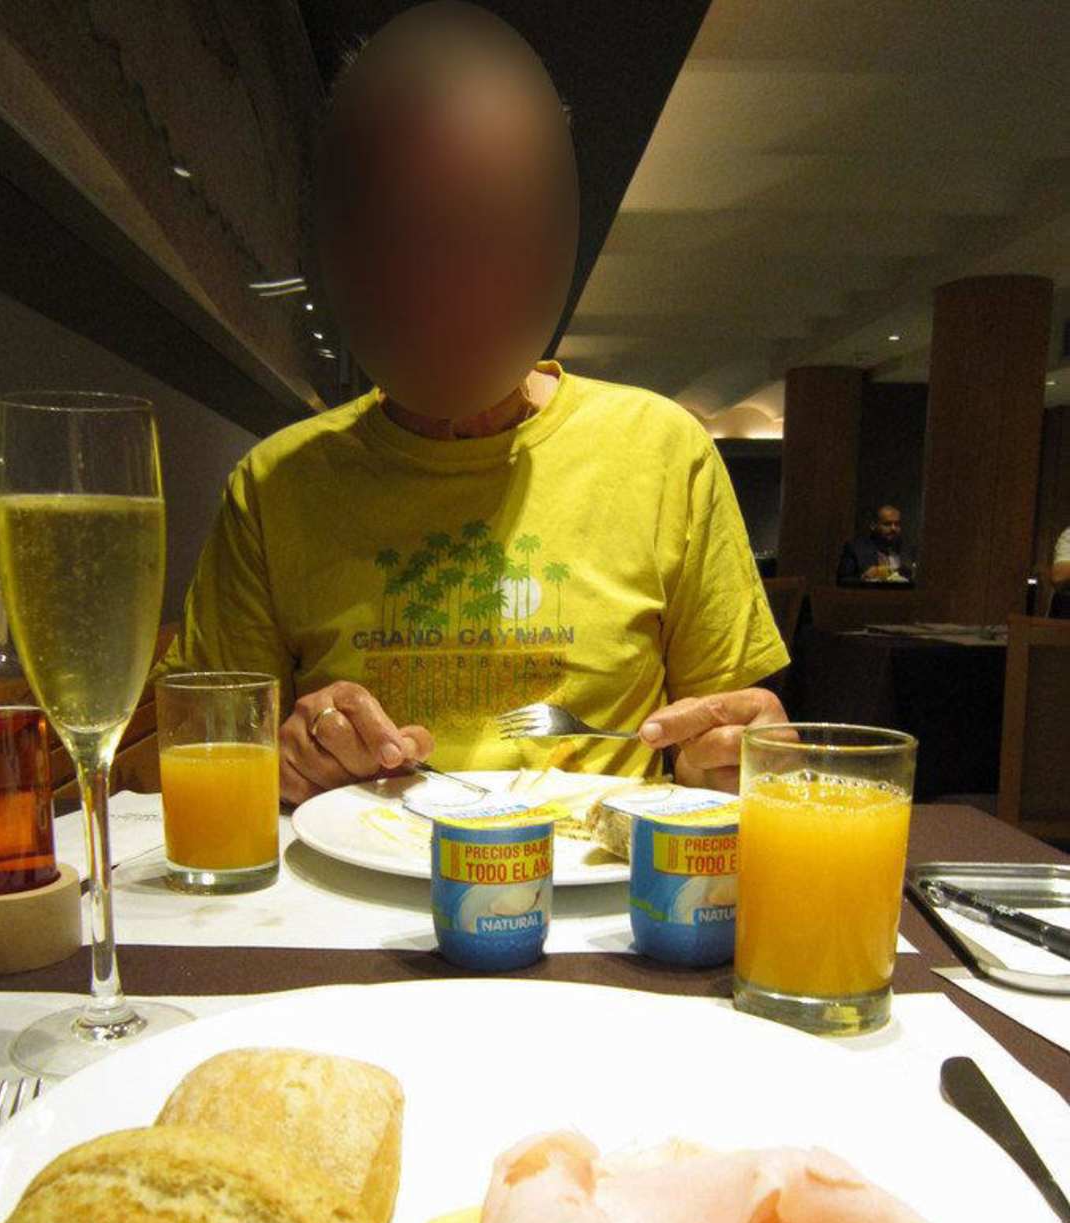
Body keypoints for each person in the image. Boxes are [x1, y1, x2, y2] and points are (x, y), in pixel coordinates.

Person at [162, 2, 789, 802]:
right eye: (405, 235)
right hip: (350, 876)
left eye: (488, 232)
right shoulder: (274, 486)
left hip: (590, 876)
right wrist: (279, 758)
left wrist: (739, 756)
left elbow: (736, 741)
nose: (445, 287)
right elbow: (189, 753)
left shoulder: (666, 454)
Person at [837, 506, 910, 585]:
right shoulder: (856, 548)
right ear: (873, 525)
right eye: (887, 524)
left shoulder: (905, 550)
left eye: (897, 524)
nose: (893, 528)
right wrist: (863, 577)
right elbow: (842, 581)